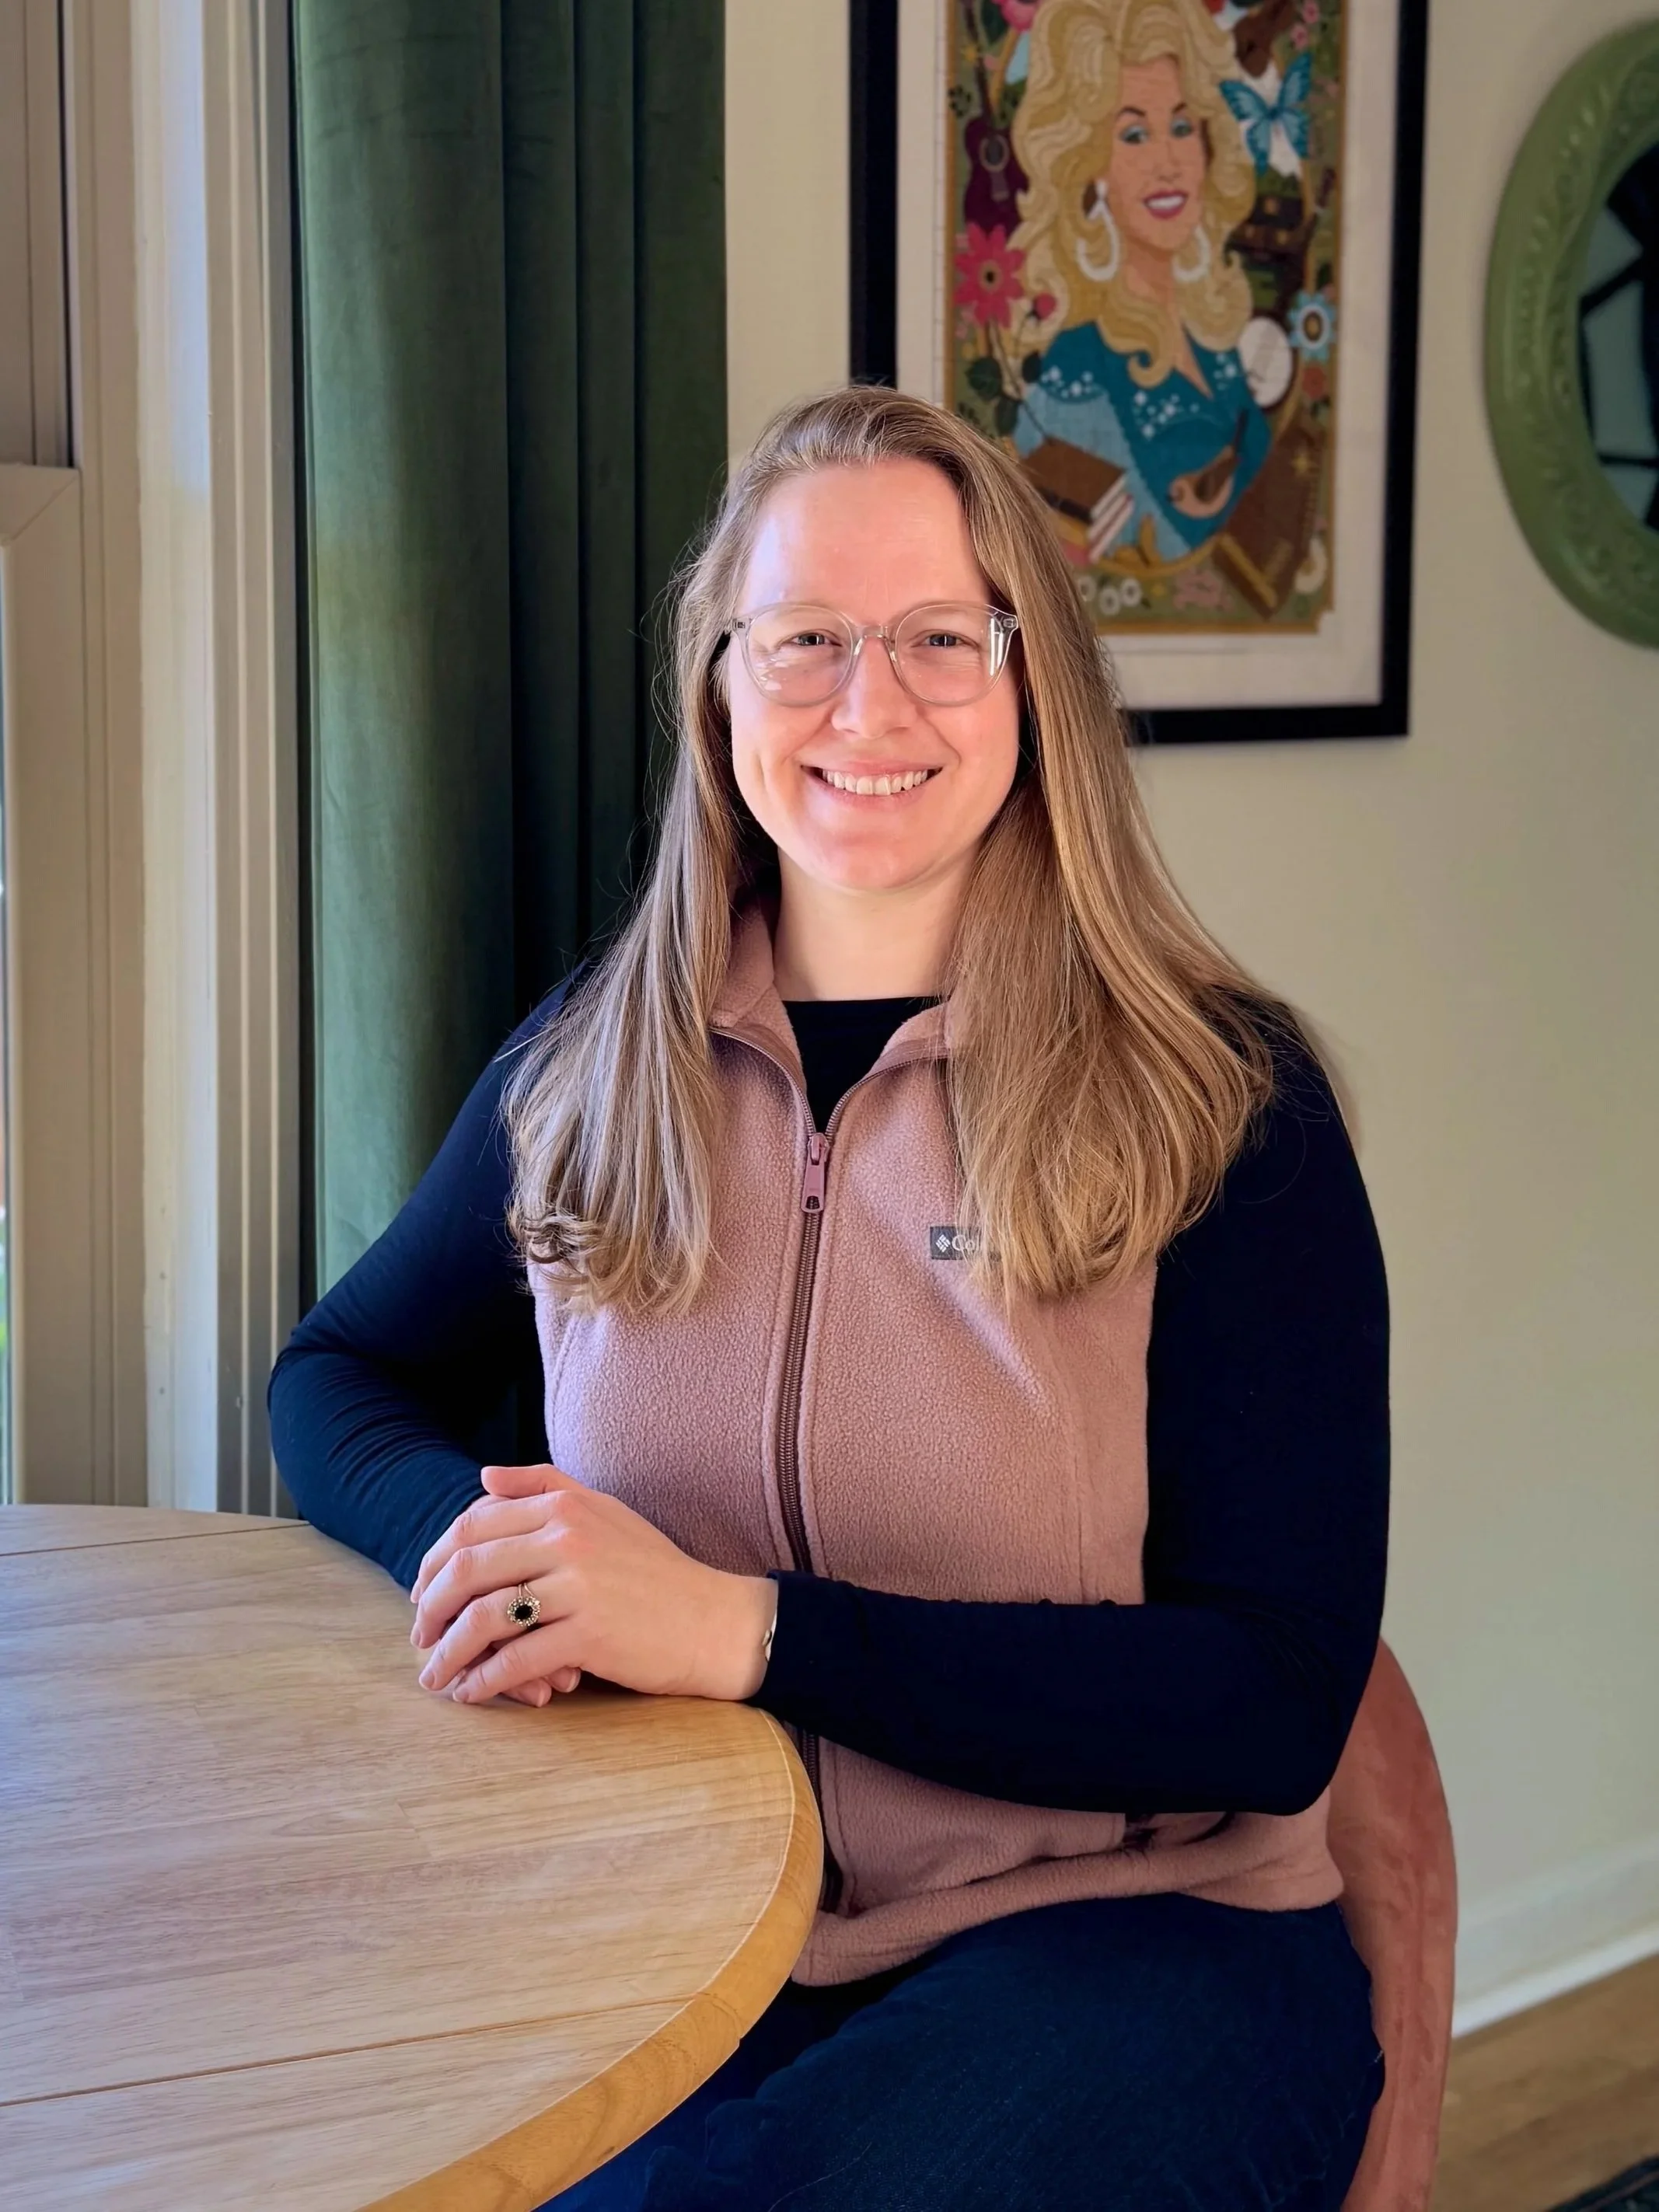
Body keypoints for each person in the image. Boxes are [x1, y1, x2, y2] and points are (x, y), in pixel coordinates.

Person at [271, 384, 1388, 2210]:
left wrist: (746, 1635)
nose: (867, 707)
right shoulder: (592, 1068)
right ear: (716, 689)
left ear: (1030, 683)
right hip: (673, 1926)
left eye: (938, 638)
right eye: (798, 643)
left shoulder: (1218, 1102)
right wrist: (486, 1566)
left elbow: (1266, 1693)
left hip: (1126, 1950)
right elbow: (338, 1369)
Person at [1011, 0, 1272, 558]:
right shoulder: (1074, 374)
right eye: (1133, 135)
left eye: (1182, 127)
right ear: (1089, 166)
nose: (1169, 162)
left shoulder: (1215, 335)